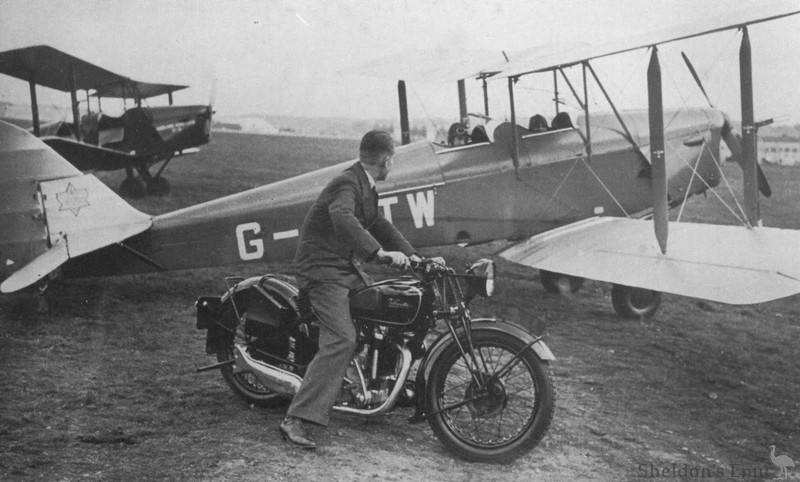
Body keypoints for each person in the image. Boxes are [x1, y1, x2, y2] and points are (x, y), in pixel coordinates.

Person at [280, 130, 420, 449]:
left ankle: (371, 385)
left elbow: (379, 224)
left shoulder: (365, 185)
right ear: (387, 160)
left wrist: (414, 257)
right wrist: (378, 254)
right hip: (322, 270)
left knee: (384, 309)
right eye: (392, 160)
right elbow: (341, 216)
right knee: (342, 339)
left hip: (343, 268)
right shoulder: (347, 183)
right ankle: (295, 418)